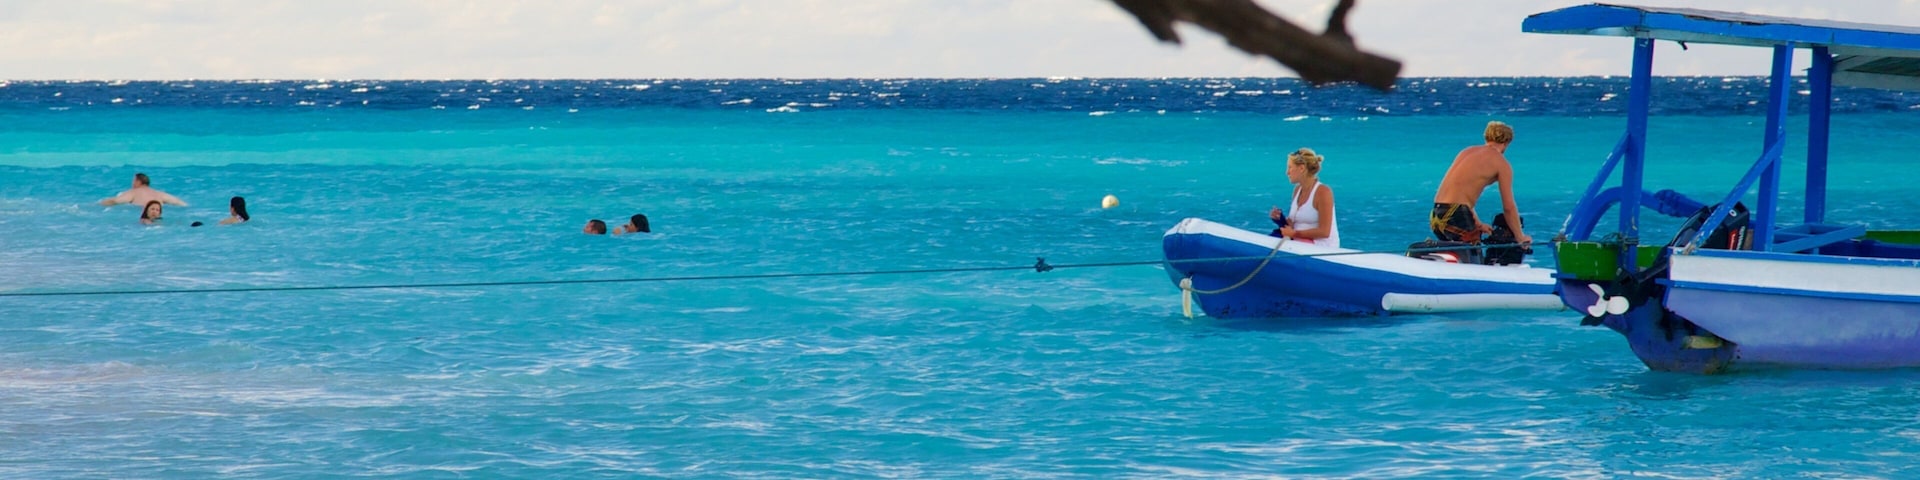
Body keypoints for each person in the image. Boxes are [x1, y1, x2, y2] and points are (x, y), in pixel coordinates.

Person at [1431, 121, 1531, 246]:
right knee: (1472, 256)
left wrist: (1478, 224)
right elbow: (1509, 207)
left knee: (1457, 255)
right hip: (1456, 214)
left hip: (1437, 213)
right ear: (1506, 143)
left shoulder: (1467, 151)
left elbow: (1461, 192)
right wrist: (1520, 237)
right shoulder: (1501, 164)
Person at [1273, 148, 1339, 248]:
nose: (1287, 172)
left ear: (1301, 168)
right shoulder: (1297, 190)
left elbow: (1324, 232)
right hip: (1298, 241)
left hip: (1320, 247)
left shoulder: (1323, 192)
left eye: (1290, 167)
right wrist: (1280, 219)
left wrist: (1294, 234)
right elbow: (1293, 224)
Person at [100, 173, 189, 208]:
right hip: (158, 212)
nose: (132, 184)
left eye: (133, 181)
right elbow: (180, 203)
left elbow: (116, 201)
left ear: (138, 182)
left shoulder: (133, 192)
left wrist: (98, 204)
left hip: (141, 214)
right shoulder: (159, 193)